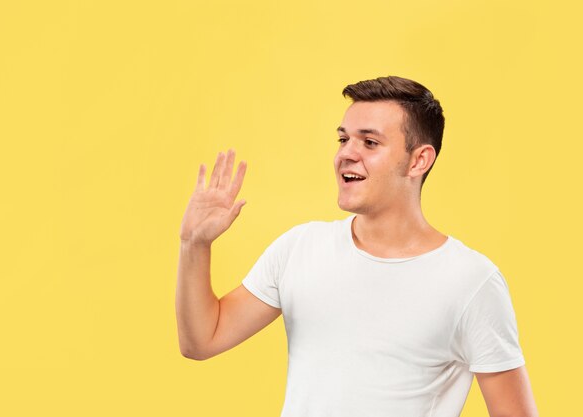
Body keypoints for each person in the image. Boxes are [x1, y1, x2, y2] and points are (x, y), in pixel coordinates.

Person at [176, 75, 539, 417]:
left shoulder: (470, 281)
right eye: (343, 139)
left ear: (419, 160)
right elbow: (202, 340)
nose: (346, 154)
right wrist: (194, 245)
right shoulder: (299, 248)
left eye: (369, 142)